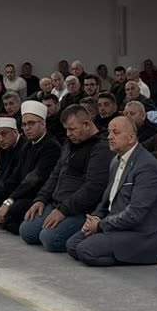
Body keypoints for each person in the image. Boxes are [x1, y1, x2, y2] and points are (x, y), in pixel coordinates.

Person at [69, 116, 157, 266]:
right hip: (116, 226)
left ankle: (139, 256)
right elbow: (106, 202)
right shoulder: (116, 161)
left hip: (141, 234)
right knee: (72, 245)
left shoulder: (147, 167)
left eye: (115, 132)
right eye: (109, 132)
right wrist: (95, 218)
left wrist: (100, 225)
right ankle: (114, 250)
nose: (109, 137)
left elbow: (135, 214)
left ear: (131, 138)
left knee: (85, 250)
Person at [20, 106, 111, 254]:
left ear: (87, 124)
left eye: (72, 129)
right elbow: (56, 173)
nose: (68, 134)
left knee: (50, 239)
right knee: (27, 231)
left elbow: (93, 188)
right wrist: (41, 199)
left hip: (80, 209)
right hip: (58, 203)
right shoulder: (70, 143)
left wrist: (64, 210)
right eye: (66, 130)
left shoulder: (101, 148)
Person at [0, 102, 64, 231]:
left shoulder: (51, 147)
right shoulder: (28, 145)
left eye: (31, 123)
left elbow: (33, 180)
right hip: (21, 193)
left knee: (14, 209)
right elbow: (15, 177)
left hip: (37, 196)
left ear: (43, 124)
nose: (27, 128)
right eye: (24, 124)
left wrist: (9, 201)